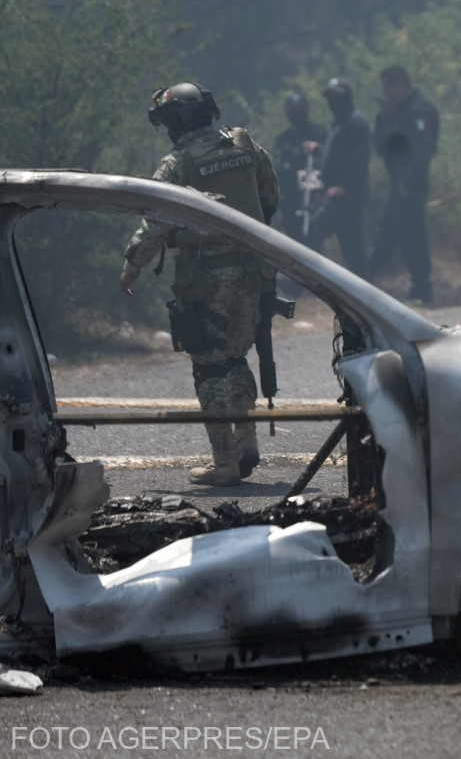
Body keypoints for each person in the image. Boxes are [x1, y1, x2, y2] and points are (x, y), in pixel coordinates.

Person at [119, 82, 279, 486]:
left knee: (208, 365)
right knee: (237, 356)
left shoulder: (177, 163)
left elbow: (155, 223)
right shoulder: (246, 146)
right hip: (253, 269)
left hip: (205, 278)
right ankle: (246, 442)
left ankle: (223, 462)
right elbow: (270, 197)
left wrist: (132, 265)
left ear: (174, 123)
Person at [371, 65, 439, 304]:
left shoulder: (420, 110)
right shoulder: (397, 112)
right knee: (387, 236)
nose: (387, 94)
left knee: (413, 238)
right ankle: (365, 280)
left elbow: (422, 150)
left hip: (410, 186)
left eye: (388, 88)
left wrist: (407, 182)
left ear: (399, 84)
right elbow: (382, 147)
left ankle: (422, 290)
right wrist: (383, 118)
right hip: (397, 184)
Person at [304, 78, 370, 277]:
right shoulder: (338, 122)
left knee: (314, 231)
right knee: (351, 247)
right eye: (330, 98)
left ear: (347, 97)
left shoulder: (356, 121)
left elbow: (360, 158)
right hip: (336, 193)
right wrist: (319, 150)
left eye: (337, 97)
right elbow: (340, 155)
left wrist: (344, 186)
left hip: (347, 195)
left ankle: (315, 280)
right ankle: (365, 289)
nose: (333, 102)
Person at [271, 92, 327, 244]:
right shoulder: (283, 139)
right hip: (290, 198)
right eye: (292, 109)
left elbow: (331, 158)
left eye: (300, 109)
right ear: (287, 113)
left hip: (313, 197)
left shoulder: (319, 133)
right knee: (293, 241)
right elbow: (278, 165)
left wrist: (318, 149)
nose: (297, 113)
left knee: (313, 239)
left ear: (306, 110)